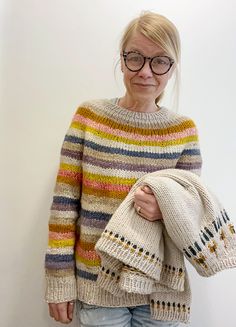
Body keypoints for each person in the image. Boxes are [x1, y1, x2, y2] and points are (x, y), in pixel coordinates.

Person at [45, 11, 202, 326]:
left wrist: (166, 207)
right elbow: (64, 207)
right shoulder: (89, 117)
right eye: (135, 58)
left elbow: (193, 212)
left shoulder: (184, 130)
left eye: (159, 61)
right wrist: (58, 280)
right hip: (98, 285)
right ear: (122, 59)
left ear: (172, 67)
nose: (145, 72)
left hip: (160, 291)